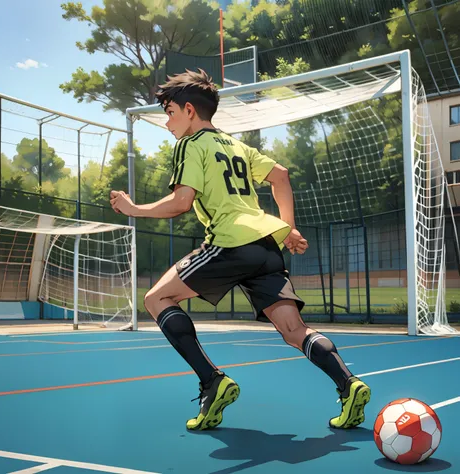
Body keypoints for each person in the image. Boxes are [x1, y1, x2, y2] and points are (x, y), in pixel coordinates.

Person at [110, 69, 371, 431]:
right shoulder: (236, 146)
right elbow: (280, 174)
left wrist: (134, 209)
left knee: (156, 299)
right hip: (266, 245)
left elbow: (181, 202)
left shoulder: (191, 144)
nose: (167, 122)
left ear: (189, 110)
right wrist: (289, 227)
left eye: (169, 112)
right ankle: (349, 384)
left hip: (230, 242)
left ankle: (211, 381)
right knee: (294, 329)